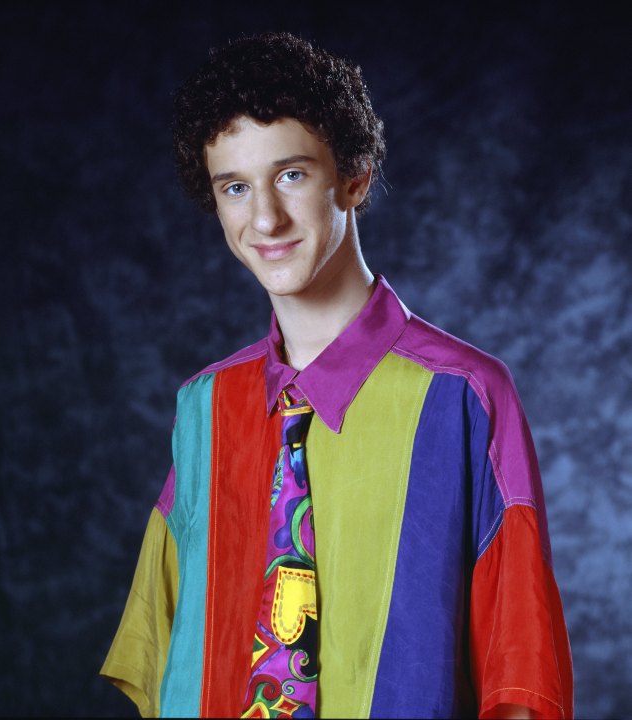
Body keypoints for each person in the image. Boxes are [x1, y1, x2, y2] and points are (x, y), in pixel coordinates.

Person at [100, 32, 573, 719]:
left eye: (291, 174)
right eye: (235, 187)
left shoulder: (464, 396)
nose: (264, 217)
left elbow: (519, 669)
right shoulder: (202, 407)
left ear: (351, 178)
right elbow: (162, 642)